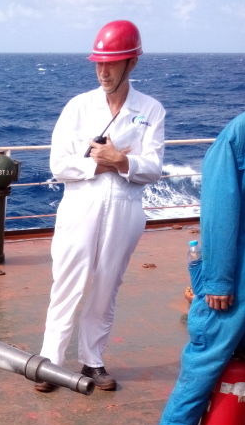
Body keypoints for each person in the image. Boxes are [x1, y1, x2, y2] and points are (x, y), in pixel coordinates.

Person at [36, 20, 165, 392]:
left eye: (112, 63)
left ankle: (92, 361)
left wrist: (122, 161)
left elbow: (153, 168)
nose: (103, 71)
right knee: (67, 283)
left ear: (132, 63)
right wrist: (106, 162)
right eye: (99, 63)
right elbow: (59, 165)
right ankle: (49, 363)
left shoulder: (151, 110)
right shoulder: (78, 107)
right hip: (81, 206)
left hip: (125, 209)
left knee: (107, 286)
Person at [157, 112, 245, 425]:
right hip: (236, 270)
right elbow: (219, 212)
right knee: (209, 352)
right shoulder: (238, 135)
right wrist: (219, 280)